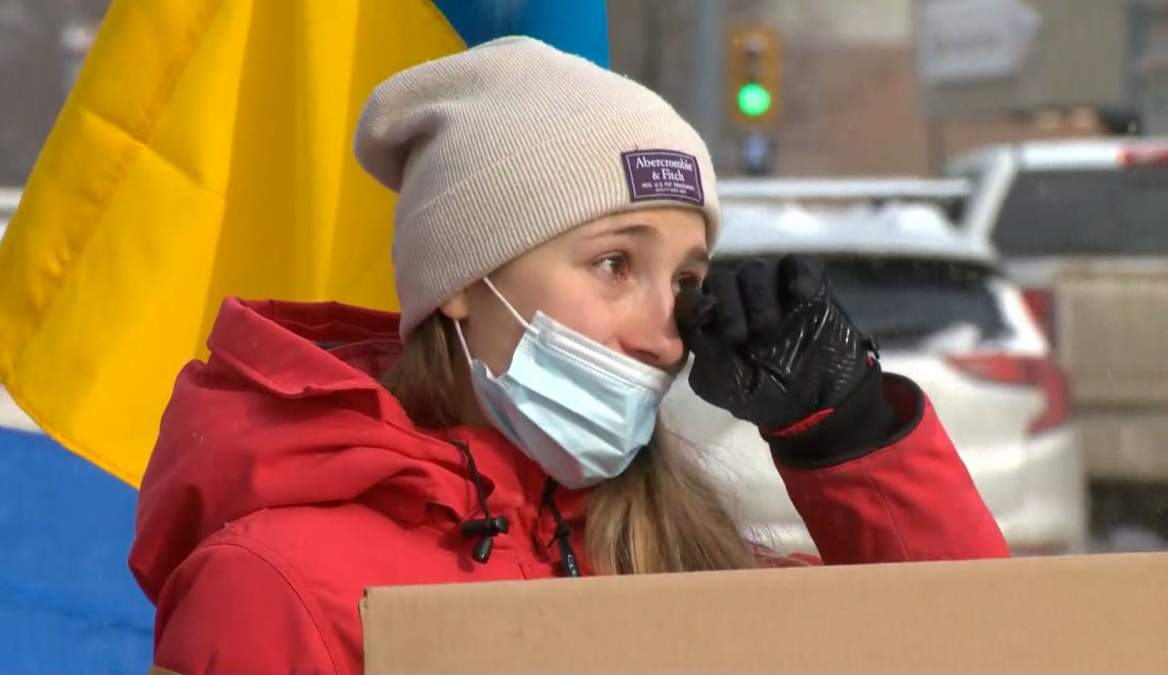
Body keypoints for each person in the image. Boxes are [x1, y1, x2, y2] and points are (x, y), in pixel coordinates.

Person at [130, 36, 1008, 673]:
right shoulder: (274, 587)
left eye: (685, 280)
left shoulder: (685, 554)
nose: (665, 330)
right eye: (614, 263)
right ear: (465, 280)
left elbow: (985, 647)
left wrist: (843, 431)